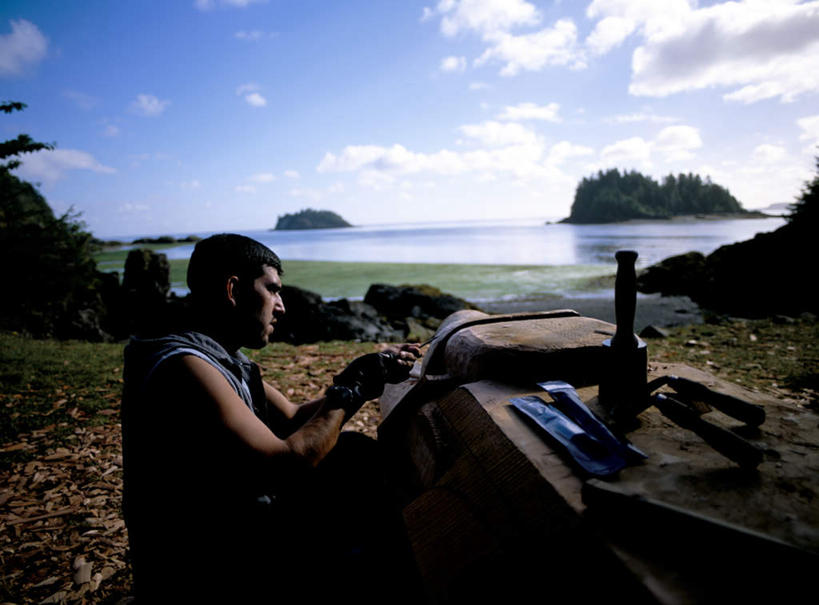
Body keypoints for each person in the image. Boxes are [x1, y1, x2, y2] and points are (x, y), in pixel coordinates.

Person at [120, 233, 422, 602]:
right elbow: (288, 462)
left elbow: (294, 417)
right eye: (272, 290)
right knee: (363, 492)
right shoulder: (184, 367)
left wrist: (362, 374)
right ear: (233, 289)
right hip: (200, 571)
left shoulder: (218, 354)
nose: (280, 306)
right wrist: (350, 389)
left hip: (227, 532)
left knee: (353, 453)